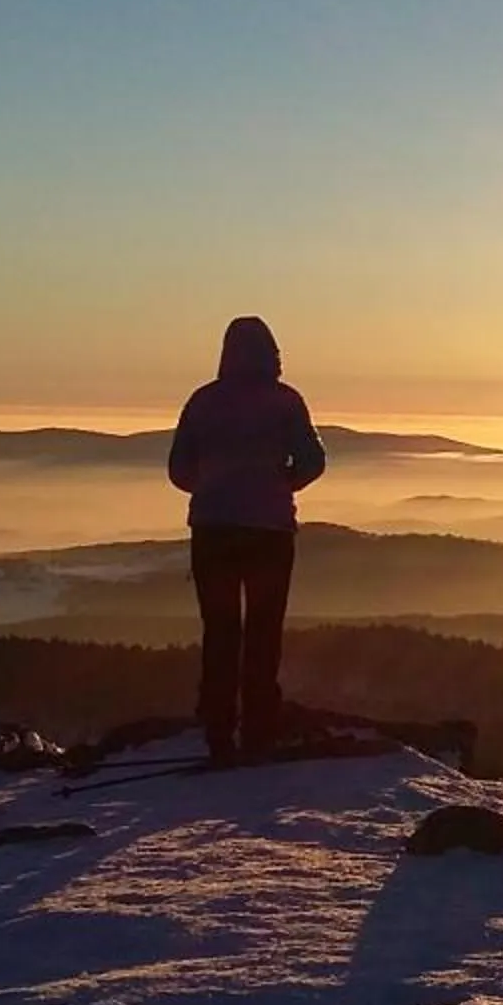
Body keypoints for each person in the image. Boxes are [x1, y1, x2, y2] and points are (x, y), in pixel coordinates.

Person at [166, 316, 327, 762]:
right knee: (263, 629)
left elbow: (178, 469)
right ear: (272, 353)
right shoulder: (286, 402)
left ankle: (218, 728)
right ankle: (259, 727)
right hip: (270, 532)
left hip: (213, 531)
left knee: (220, 630)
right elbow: (313, 460)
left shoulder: (203, 401)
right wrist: (281, 484)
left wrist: (212, 488)